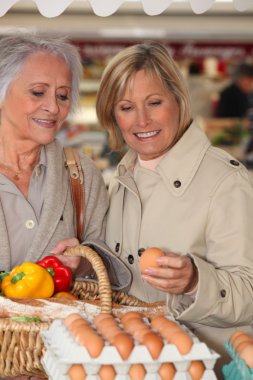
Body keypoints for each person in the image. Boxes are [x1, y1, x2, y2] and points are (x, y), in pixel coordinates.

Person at [96, 41, 253, 378]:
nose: (142, 120)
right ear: (113, 115)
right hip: (134, 365)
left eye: (154, 103)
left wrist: (196, 281)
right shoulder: (123, 178)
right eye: (126, 107)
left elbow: (249, 292)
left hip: (204, 369)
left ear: (179, 102)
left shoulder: (226, 182)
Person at [0, 32, 132, 380]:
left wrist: (84, 262)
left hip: (64, 363)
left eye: (62, 96)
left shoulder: (80, 172)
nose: (54, 108)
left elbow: (107, 263)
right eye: (37, 92)